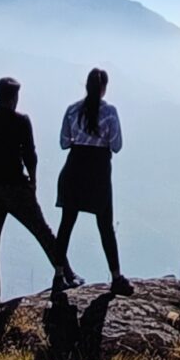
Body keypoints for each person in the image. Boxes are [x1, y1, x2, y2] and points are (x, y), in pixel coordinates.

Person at [0, 76, 81, 307]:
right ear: (14, 97)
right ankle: (68, 275)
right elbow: (30, 154)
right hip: (16, 188)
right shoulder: (20, 121)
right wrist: (33, 181)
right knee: (43, 232)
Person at [55, 67, 130, 294]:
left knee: (66, 224)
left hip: (74, 168)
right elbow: (116, 145)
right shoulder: (109, 112)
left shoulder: (72, 110)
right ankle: (116, 277)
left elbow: (64, 143)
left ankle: (58, 276)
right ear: (104, 89)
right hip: (98, 173)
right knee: (105, 225)